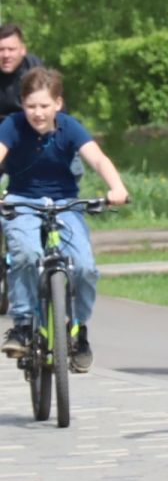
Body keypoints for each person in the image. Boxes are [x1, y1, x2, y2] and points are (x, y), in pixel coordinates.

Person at [0, 68, 130, 371]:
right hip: (23, 201)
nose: (37, 113)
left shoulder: (70, 127)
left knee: (84, 267)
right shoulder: (12, 126)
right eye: (31, 106)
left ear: (58, 104)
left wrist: (117, 187)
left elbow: (97, 158)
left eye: (44, 105)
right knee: (26, 253)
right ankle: (22, 325)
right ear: (22, 104)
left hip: (65, 204)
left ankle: (78, 329)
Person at [0, 24, 46, 120]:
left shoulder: (36, 72)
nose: (6, 55)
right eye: (1, 50)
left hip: (30, 127)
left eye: (11, 49)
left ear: (23, 50)